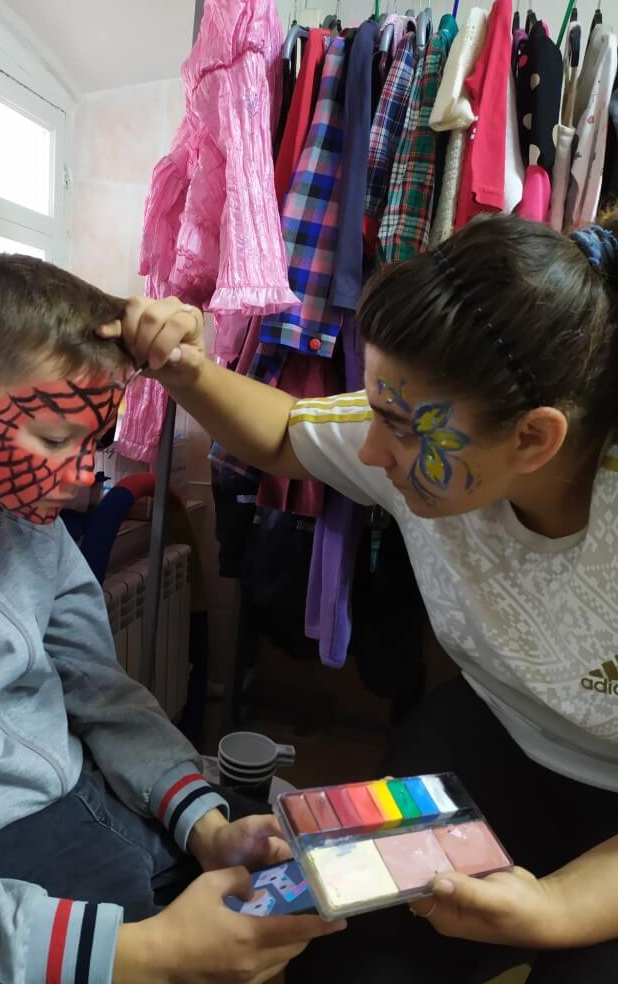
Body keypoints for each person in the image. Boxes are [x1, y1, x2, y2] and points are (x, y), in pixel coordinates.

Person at [111, 212, 618, 983]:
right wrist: (184, 367)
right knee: (346, 957)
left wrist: (553, 908)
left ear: (532, 439)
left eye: (400, 429)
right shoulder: (422, 426)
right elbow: (284, 432)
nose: (372, 453)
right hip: (495, 728)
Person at [0, 255, 342, 984]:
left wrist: (206, 827)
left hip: (94, 800)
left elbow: (103, 693)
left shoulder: (24, 514)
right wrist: (154, 955)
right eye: (54, 441)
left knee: (306, 909)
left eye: (94, 443)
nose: (83, 477)